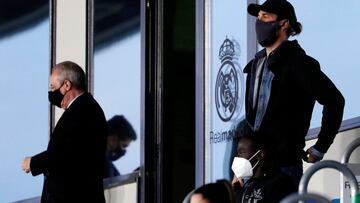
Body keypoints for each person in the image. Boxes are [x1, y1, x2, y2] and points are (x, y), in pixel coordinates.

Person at [243, 0, 345, 185]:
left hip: (283, 167)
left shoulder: (299, 63)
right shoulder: (256, 63)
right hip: (253, 167)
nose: (259, 22)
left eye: (265, 17)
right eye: (258, 18)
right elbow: (253, 121)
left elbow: (335, 101)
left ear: (284, 23)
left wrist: (320, 147)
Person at [21, 61, 107, 203]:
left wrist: (33, 162)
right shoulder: (84, 108)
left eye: (53, 87)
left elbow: (66, 153)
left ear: (67, 85)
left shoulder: (83, 110)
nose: (52, 94)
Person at [231, 135, 296, 203]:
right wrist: (235, 189)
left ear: (260, 154)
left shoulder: (280, 184)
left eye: (242, 152)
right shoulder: (246, 185)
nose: (237, 157)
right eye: (237, 153)